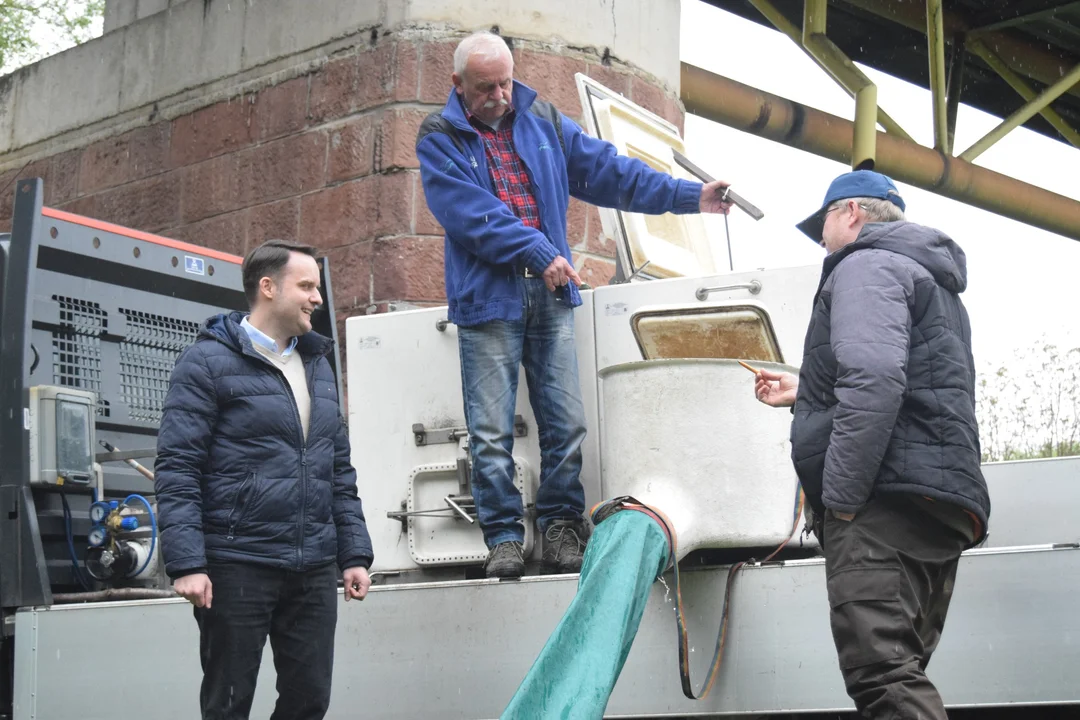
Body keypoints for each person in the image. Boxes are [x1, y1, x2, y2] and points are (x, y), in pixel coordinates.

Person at [416, 31, 733, 578]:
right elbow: (469, 213)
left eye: (505, 83)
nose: (499, 95)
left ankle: (563, 525)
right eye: (485, 87)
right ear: (457, 85)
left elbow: (611, 172)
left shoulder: (541, 115)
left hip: (550, 292)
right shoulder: (440, 135)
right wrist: (540, 251)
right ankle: (504, 539)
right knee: (490, 431)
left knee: (566, 422)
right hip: (488, 299)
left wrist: (689, 197)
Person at [753, 170, 991, 719]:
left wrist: (840, 499)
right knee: (901, 673)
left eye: (825, 221)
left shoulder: (865, 265)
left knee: (882, 678)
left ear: (854, 213)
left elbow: (878, 377)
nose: (821, 237)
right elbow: (913, 383)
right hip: (938, 500)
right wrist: (806, 392)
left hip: (882, 503)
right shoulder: (931, 280)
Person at [154, 239, 375, 720]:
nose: (317, 297)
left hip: (312, 566)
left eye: (317, 287)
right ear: (268, 287)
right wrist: (187, 562)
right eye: (307, 285)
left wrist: (353, 553)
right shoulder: (205, 364)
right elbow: (178, 466)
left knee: (309, 702)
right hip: (238, 564)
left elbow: (336, 466)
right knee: (229, 704)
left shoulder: (317, 365)